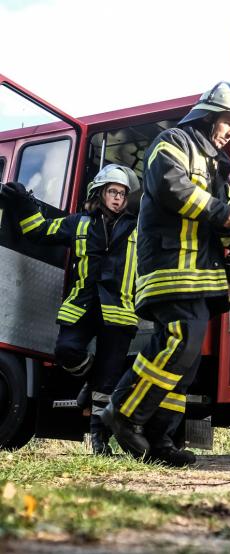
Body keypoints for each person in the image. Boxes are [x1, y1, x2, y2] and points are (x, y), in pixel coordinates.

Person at [101, 81, 230, 467]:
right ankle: (123, 413)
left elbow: (220, 213)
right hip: (171, 268)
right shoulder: (174, 140)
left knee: (185, 362)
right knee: (178, 343)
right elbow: (171, 186)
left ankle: (159, 439)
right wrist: (220, 212)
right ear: (210, 115)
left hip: (200, 275)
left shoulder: (214, 165)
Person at [6, 164, 140, 455]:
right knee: (66, 351)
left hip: (118, 313)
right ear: (100, 193)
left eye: (122, 194)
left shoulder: (138, 230)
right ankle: (90, 378)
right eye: (112, 192)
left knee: (106, 383)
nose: (118, 198)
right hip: (81, 306)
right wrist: (23, 202)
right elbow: (38, 231)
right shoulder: (77, 223)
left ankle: (99, 441)